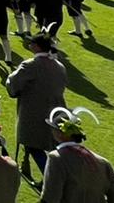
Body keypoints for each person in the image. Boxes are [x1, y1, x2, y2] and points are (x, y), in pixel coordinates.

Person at [6, 33, 68, 181]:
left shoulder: (30, 65)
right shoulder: (59, 66)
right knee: (53, 146)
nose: (29, 46)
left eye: (31, 44)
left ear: (37, 46)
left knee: (33, 145)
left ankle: (50, 179)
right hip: (56, 111)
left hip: (34, 112)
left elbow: (13, 83)